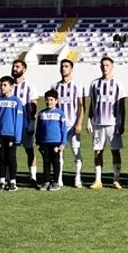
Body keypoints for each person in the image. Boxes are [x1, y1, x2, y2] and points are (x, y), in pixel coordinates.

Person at [89, 56, 126, 190]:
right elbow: (92, 104)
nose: (105, 67)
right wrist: (89, 120)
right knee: (97, 151)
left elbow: (122, 106)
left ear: (112, 67)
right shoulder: (94, 84)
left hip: (113, 123)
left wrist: (121, 123)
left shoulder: (118, 84)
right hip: (98, 123)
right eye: (103, 65)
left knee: (115, 151)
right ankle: (98, 180)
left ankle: (116, 179)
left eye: (107, 65)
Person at [51, 58, 86, 188]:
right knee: (58, 152)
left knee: (76, 151)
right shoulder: (55, 86)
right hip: (59, 127)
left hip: (72, 125)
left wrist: (79, 123)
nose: (63, 68)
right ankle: (59, 179)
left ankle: (78, 178)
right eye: (62, 66)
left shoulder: (77, 86)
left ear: (71, 69)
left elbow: (81, 106)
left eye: (66, 66)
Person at [0, 76, 25, 191]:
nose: (2, 87)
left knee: (11, 157)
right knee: (1, 158)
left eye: (5, 85)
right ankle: (1, 181)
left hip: (11, 135)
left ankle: (12, 182)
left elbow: (19, 120)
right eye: (1, 85)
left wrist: (18, 137)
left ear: (11, 86)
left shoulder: (16, 102)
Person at [10, 59, 40, 185]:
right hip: (11, 125)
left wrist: (32, 123)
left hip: (25, 124)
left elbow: (34, 105)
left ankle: (32, 177)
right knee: (10, 151)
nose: (14, 69)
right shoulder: (9, 85)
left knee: (29, 150)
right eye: (13, 66)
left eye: (17, 67)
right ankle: (10, 176)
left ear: (24, 69)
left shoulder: (30, 86)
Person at [35, 90, 67, 191]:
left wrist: (63, 143)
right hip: (44, 142)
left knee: (55, 162)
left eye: (51, 100)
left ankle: (56, 182)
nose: (49, 102)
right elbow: (39, 128)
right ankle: (46, 181)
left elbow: (63, 129)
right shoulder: (42, 113)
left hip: (56, 142)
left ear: (56, 101)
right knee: (46, 162)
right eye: (47, 100)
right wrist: (38, 142)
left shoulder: (60, 113)